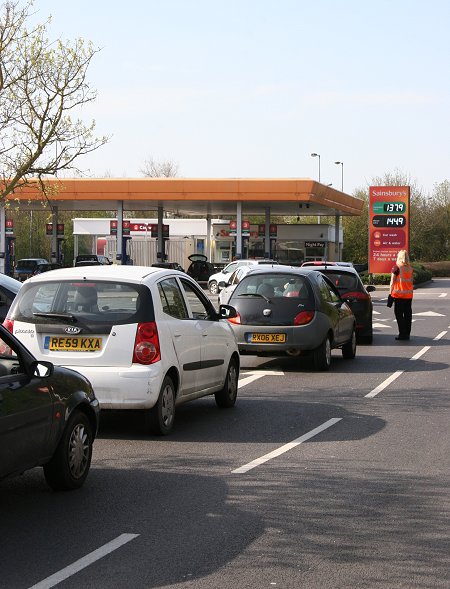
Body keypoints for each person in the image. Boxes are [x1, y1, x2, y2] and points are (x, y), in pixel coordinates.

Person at [389, 249, 413, 340]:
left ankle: (402, 334)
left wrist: (390, 294)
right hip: (408, 296)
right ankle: (407, 334)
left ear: (399, 257)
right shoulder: (410, 269)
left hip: (399, 296)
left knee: (399, 315)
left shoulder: (396, 268)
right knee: (408, 315)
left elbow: (392, 282)